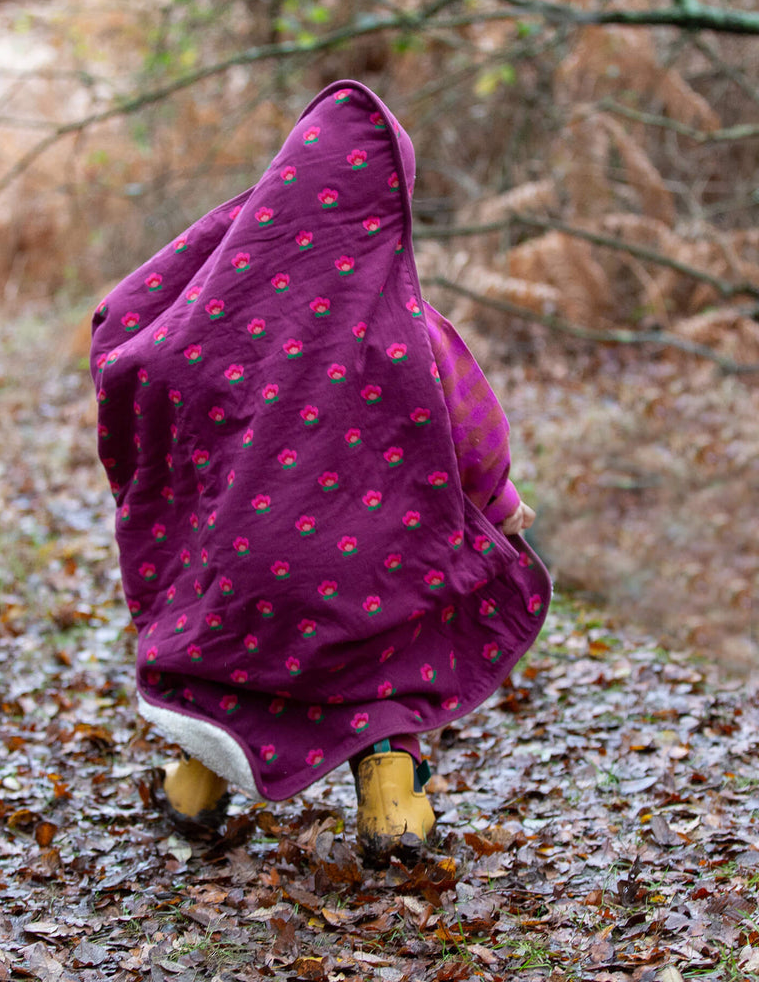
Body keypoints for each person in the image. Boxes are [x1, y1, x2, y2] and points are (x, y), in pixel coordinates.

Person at [89, 79, 551, 863]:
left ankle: (192, 792)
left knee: (230, 669)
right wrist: (500, 502)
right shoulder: (407, 327)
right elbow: (470, 429)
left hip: (242, 566)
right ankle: (391, 808)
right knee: (394, 656)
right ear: (389, 205)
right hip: (364, 560)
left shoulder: (215, 316)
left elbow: (142, 348)